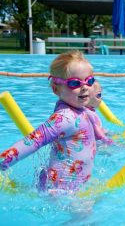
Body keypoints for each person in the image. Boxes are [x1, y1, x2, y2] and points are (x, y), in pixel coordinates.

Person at [0, 50, 108, 193]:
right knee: (87, 214)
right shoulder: (64, 118)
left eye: (89, 81)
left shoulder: (81, 110)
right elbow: (32, 141)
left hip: (75, 187)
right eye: (75, 83)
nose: (84, 87)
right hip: (62, 191)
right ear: (56, 89)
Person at [86, 80, 113, 145]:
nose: (101, 98)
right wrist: (108, 141)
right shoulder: (89, 113)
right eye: (99, 95)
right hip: (98, 143)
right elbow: (97, 131)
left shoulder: (85, 111)